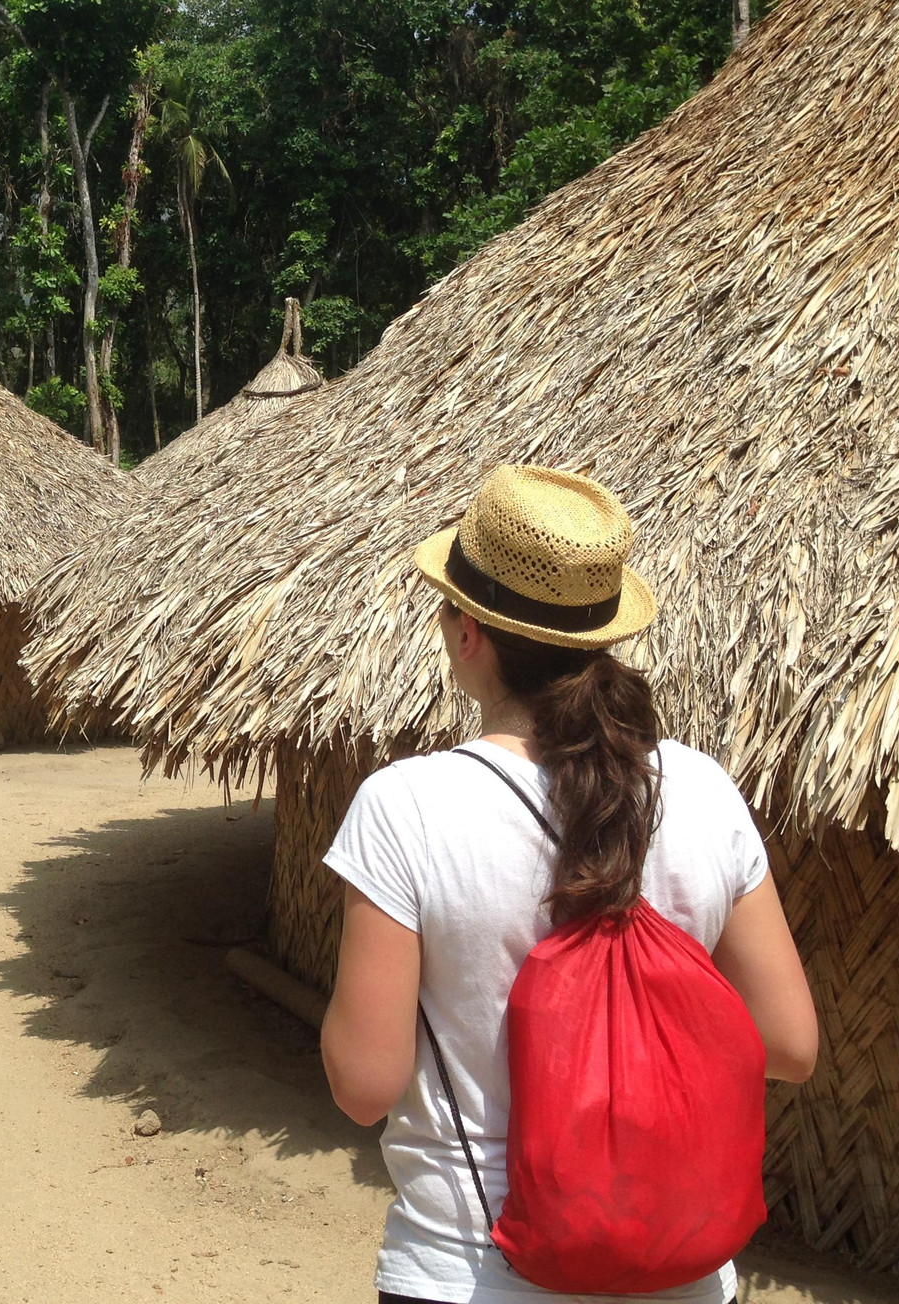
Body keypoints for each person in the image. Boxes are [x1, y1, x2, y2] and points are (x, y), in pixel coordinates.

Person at [319, 464, 818, 1304]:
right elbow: (790, 1047)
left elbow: (364, 1088)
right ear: (602, 635)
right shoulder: (702, 790)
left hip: (470, 1271)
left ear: (466, 631)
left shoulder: (405, 807)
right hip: (682, 1271)